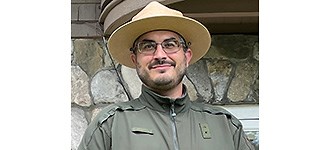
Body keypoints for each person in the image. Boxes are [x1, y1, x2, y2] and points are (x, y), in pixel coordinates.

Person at [78, 1, 255, 150]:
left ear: (187, 56)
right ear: (135, 59)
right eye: (148, 46)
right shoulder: (110, 126)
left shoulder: (226, 126)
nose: (160, 54)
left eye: (170, 44)